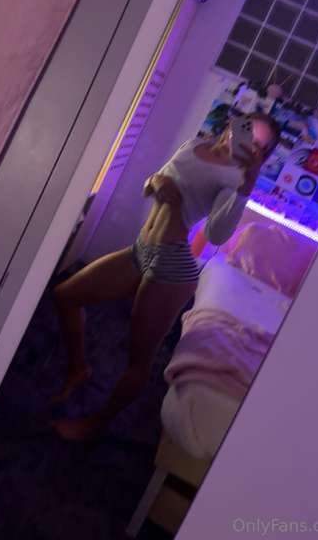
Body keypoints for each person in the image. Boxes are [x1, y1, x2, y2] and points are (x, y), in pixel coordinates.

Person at [50, 112, 281, 441]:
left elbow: (216, 234)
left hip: (171, 267)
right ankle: (78, 368)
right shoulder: (195, 144)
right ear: (233, 124)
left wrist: (247, 184)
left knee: (138, 358)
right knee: (66, 295)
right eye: (247, 132)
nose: (247, 144)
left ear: (262, 155)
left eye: (258, 145)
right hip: (141, 249)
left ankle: (94, 426)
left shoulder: (235, 178)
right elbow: (153, 182)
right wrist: (158, 184)